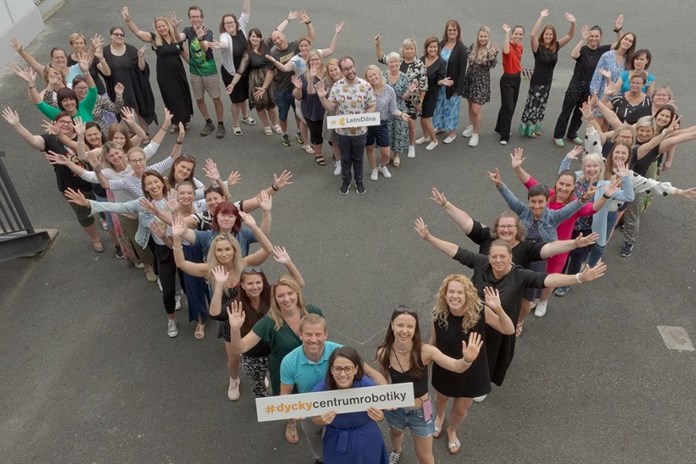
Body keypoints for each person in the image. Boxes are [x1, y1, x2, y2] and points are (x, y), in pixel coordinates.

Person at [414, 218, 607, 394]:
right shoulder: (481, 263)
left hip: (499, 326)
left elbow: (549, 279)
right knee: (461, 351)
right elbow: (456, 251)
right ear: (489, 257)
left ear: (510, 257)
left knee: (488, 358)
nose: (498, 260)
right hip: (473, 321)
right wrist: (429, 238)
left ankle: (481, 384)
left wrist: (579, 278)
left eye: (502, 257)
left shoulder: (519, 275)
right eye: (494, 257)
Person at [172, 214, 275, 397]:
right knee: (234, 357)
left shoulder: (244, 264)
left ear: (234, 250)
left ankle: (258, 376)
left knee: (258, 351)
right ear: (214, 252)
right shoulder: (210, 269)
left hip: (252, 317)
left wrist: (254, 226)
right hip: (229, 321)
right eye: (219, 250)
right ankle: (234, 379)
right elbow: (181, 264)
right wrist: (176, 237)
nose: (224, 253)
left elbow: (268, 250)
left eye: (227, 249)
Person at [375, 306, 482, 462]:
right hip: (395, 409)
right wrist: (384, 400)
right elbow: (382, 379)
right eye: (400, 325)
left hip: (421, 412)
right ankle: (396, 451)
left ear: (415, 329)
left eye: (410, 326)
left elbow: (456, 366)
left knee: (425, 457)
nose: (404, 330)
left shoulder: (426, 351)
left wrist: (467, 360)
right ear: (392, 325)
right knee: (396, 433)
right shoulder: (384, 353)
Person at [226, 280, 322, 445]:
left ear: (297, 293)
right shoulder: (268, 322)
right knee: (288, 401)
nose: (287, 299)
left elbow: (322, 336)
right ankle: (291, 423)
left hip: (312, 366)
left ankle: (317, 419)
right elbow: (240, 347)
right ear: (274, 299)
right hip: (284, 372)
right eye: (281, 295)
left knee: (315, 394)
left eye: (290, 293)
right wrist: (235, 329)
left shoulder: (312, 311)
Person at [429, 277, 514, 456]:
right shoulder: (438, 314)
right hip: (445, 367)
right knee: (441, 399)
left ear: (467, 294)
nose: (455, 296)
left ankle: (452, 430)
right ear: (444, 294)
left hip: (472, 372)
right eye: (451, 291)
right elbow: (433, 342)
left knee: (460, 409)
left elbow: (509, 330)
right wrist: (424, 365)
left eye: (460, 292)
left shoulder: (480, 311)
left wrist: (498, 309)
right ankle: (439, 417)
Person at [2, 107, 103, 251]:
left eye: (69, 122)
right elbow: (33, 141)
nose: (66, 124)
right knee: (84, 215)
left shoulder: (82, 134)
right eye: (62, 122)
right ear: (55, 123)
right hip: (71, 186)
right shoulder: (50, 139)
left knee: (104, 207)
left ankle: (105, 220)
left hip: (94, 182)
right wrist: (17, 125)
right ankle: (95, 239)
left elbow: (91, 150)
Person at [267, 20, 343, 153]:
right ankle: (306, 144)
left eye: (306, 45)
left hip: (319, 92)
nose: (304, 48)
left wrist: (336, 34)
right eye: (301, 46)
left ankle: (330, 145)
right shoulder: (295, 59)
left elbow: (331, 49)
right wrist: (274, 61)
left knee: (323, 117)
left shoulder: (316, 54)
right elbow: (284, 68)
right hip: (303, 93)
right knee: (304, 121)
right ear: (299, 47)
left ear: (310, 46)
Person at [552, 16, 623, 147]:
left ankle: (572, 134)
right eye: (591, 36)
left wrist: (618, 30)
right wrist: (582, 40)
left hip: (591, 88)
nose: (594, 39)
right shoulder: (583, 49)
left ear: (600, 37)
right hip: (576, 85)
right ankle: (558, 135)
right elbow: (573, 55)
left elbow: (620, 44)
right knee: (566, 111)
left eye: (596, 36)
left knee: (580, 112)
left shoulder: (603, 50)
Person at [311, 347, 388, 464]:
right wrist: (321, 420)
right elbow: (314, 418)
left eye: (348, 368)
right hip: (336, 441)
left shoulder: (368, 386)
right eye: (338, 369)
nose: (343, 374)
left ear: (356, 369)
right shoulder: (320, 391)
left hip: (367, 439)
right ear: (331, 370)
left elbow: (381, 412)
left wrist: (380, 417)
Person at [121, 7, 193, 129]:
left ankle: (185, 120)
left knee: (182, 95)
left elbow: (185, 55)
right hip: (164, 75)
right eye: (159, 27)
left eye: (163, 26)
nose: (161, 28)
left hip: (179, 73)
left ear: (168, 26)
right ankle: (176, 122)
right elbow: (138, 33)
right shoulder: (155, 39)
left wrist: (197, 67)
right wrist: (128, 20)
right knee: (170, 97)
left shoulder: (176, 39)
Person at [316, 56, 376, 196]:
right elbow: (330, 108)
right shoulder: (337, 87)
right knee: (345, 158)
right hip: (342, 132)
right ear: (342, 71)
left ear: (354, 66)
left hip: (360, 132)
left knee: (359, 158)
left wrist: (364, 119)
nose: (350, 71)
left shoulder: (365, 85)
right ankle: (346, 181)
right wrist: (322, 97)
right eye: (346, 69)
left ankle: (359, 181)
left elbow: (372, 105)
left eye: (351, 67)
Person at [519, 9, 575, 138]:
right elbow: (532, 35)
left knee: (541, 106)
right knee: (533, 106)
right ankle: (529, 129)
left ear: (553, 36)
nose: (548, 36)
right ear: (543, 35)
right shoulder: (537, 47)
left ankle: (536, 127)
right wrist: (541, 17)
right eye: (546, 34)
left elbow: (570, 36)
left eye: (550, 34)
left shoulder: (556, 46)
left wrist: (573, 23)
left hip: (547, 83)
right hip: (537, 83)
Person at [173, 6, 226, 137]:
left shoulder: (207, 31)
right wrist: (174, 28)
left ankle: (220, 124)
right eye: (192, 17)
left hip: (209, 71)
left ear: (202, 18)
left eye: (197, 16)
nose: (195, 19)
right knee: (199, 99)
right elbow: (179, 38)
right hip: (195, 72)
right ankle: (209, 123)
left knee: (216, 98)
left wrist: (200, 38)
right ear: (189, 18)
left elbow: (205, 48)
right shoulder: (187, 30)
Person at [267, 11, 316, 148]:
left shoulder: (295, 46)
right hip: (282, 91)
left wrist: (308, 23)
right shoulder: (274, 54)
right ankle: (285, 134)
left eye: (278, 37)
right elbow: (271, 72)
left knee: (298, 114)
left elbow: (311, 37)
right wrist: (264, 88)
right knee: (283, 116)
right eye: (274, 40)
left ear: (284, 36)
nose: (277, 41)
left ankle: (299, 132)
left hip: (297, 88)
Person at [374, 35, 427, 159]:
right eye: (406, 48)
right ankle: (390, 151)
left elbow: (424, 85)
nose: (409, 51)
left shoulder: (419, 65)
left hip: (411, 100)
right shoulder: (398, 60)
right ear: (403, 50)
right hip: (395, 100)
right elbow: (382, 58)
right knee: (393, 127)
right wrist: (377, 44)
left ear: (415, 50)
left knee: (410, 124)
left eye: (411, 48)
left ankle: (411, 146)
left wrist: (420, 101)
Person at [102, 26, 158, 136]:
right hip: (117, 86)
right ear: (110, 35)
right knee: (123, 110)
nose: (119, 36)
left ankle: (144, 133)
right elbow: (104, 72)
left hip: (133, 84)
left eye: (122, 35)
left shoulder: (131, 49)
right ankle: (133, 130)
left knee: (139, 109)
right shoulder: (105, 52)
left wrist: (141, 57)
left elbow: (142, 68)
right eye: (116, 34)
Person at [210, 0, 254, 135]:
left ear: (235, 22)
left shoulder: (241, 28)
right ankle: (236, 124)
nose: (229, 24)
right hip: (231, 73)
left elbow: (245, 12)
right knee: (236, 100)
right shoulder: (225, 36)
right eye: (226, 23)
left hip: (244, 70)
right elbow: (225, 43)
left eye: (231, 22)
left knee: (244, 96)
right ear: (223, 26)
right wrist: (219, 45)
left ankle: (245, 116)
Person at [362, 65, 410, 181]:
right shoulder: (365, 90)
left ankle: (382, 166)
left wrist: (401, 114)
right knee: (369, 149)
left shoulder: (389, 90)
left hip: (382, 123)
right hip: (367, 124)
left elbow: (393, 109)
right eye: (370, 76)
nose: (373, 78)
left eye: (374, 74)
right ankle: (374, 169)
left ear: (379, 74)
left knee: (386, 154)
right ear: (367, 79)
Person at [235, 27, 282, 136]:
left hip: (269, 79)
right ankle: (266, 126)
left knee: (272, 105)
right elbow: (240, 70)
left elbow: (276, 31)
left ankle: (275, 124)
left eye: (257, 36)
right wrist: (232, 84)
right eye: (253, 36)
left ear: (260, 38)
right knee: (260, 106)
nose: (255, 39)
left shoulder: (266, 44)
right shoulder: (247, 53)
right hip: (255, 82)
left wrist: (288, 20)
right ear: (249, 38)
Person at [461, 26, 498, 147]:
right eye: (481, 36)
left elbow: (492, 64)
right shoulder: (474, 46)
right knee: (470, 104)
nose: (483, 39)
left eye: (485, 36)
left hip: (481, 82)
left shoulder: (491, 49)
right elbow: (466, 53)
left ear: (488, 37)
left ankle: (475, 134)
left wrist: (492, 55)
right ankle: (472, 126)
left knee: (476, 109)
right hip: (470, 79)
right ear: (478, 36)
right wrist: (460, 40)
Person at [589, 31, 637, 124]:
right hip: (603, 95)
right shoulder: (607, 56)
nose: (627, 42)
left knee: (609, 125)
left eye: (630, 41)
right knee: (597, 124)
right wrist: (594, 94)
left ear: (632, 45)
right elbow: (597, 76)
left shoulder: (629, 61)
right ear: (621, 40)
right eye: (626, 39)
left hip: (617, 98)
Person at [433, 20, 468, 145]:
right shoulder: (441, 44)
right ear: (446, 31)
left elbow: (462, 71)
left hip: (453, 85)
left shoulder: (461, 49)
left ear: (458, 32)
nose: (452, 32)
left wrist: (458, 89)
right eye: (450, 30)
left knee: (452, 108)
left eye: (454, 30)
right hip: (441, 83)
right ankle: (440, 126)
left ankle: (452, 132)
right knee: (439, 106)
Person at [414, 37, 447, 151]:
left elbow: (439, 79)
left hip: (431, 94)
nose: (433, 49)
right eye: (430, 47)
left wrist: (441, 81)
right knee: (421, 116)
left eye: (435, 47)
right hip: (420, 93)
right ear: (426, 48)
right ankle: (426, 136)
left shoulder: (441, 62)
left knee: (426, 118)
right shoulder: (422, 59)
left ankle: (434, 140)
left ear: (438, 48)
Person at [381, 52, 413, 167]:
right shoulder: (382, 75)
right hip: (385, 109)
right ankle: (386, 154)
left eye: (395, 61)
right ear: (387, 63)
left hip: (399, 108)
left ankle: (396, 155)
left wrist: (409, 91)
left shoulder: (404, 77)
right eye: (391, 62)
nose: (393, 64)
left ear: (399, 63)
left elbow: (404, 97)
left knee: (398, 131)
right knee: (386, 132)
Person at [494, 23, 524, 145]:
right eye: (516, 34)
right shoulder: (507, 45)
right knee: (509, 107)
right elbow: (506, 50)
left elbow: (517, 60)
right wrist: (506, 33)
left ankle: (499, 127)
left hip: (517, 78)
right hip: (507, 80)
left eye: (520, 34)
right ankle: (504, 136)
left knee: (509, 105)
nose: (518, 36)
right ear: (512, 34)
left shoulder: (520, 46)